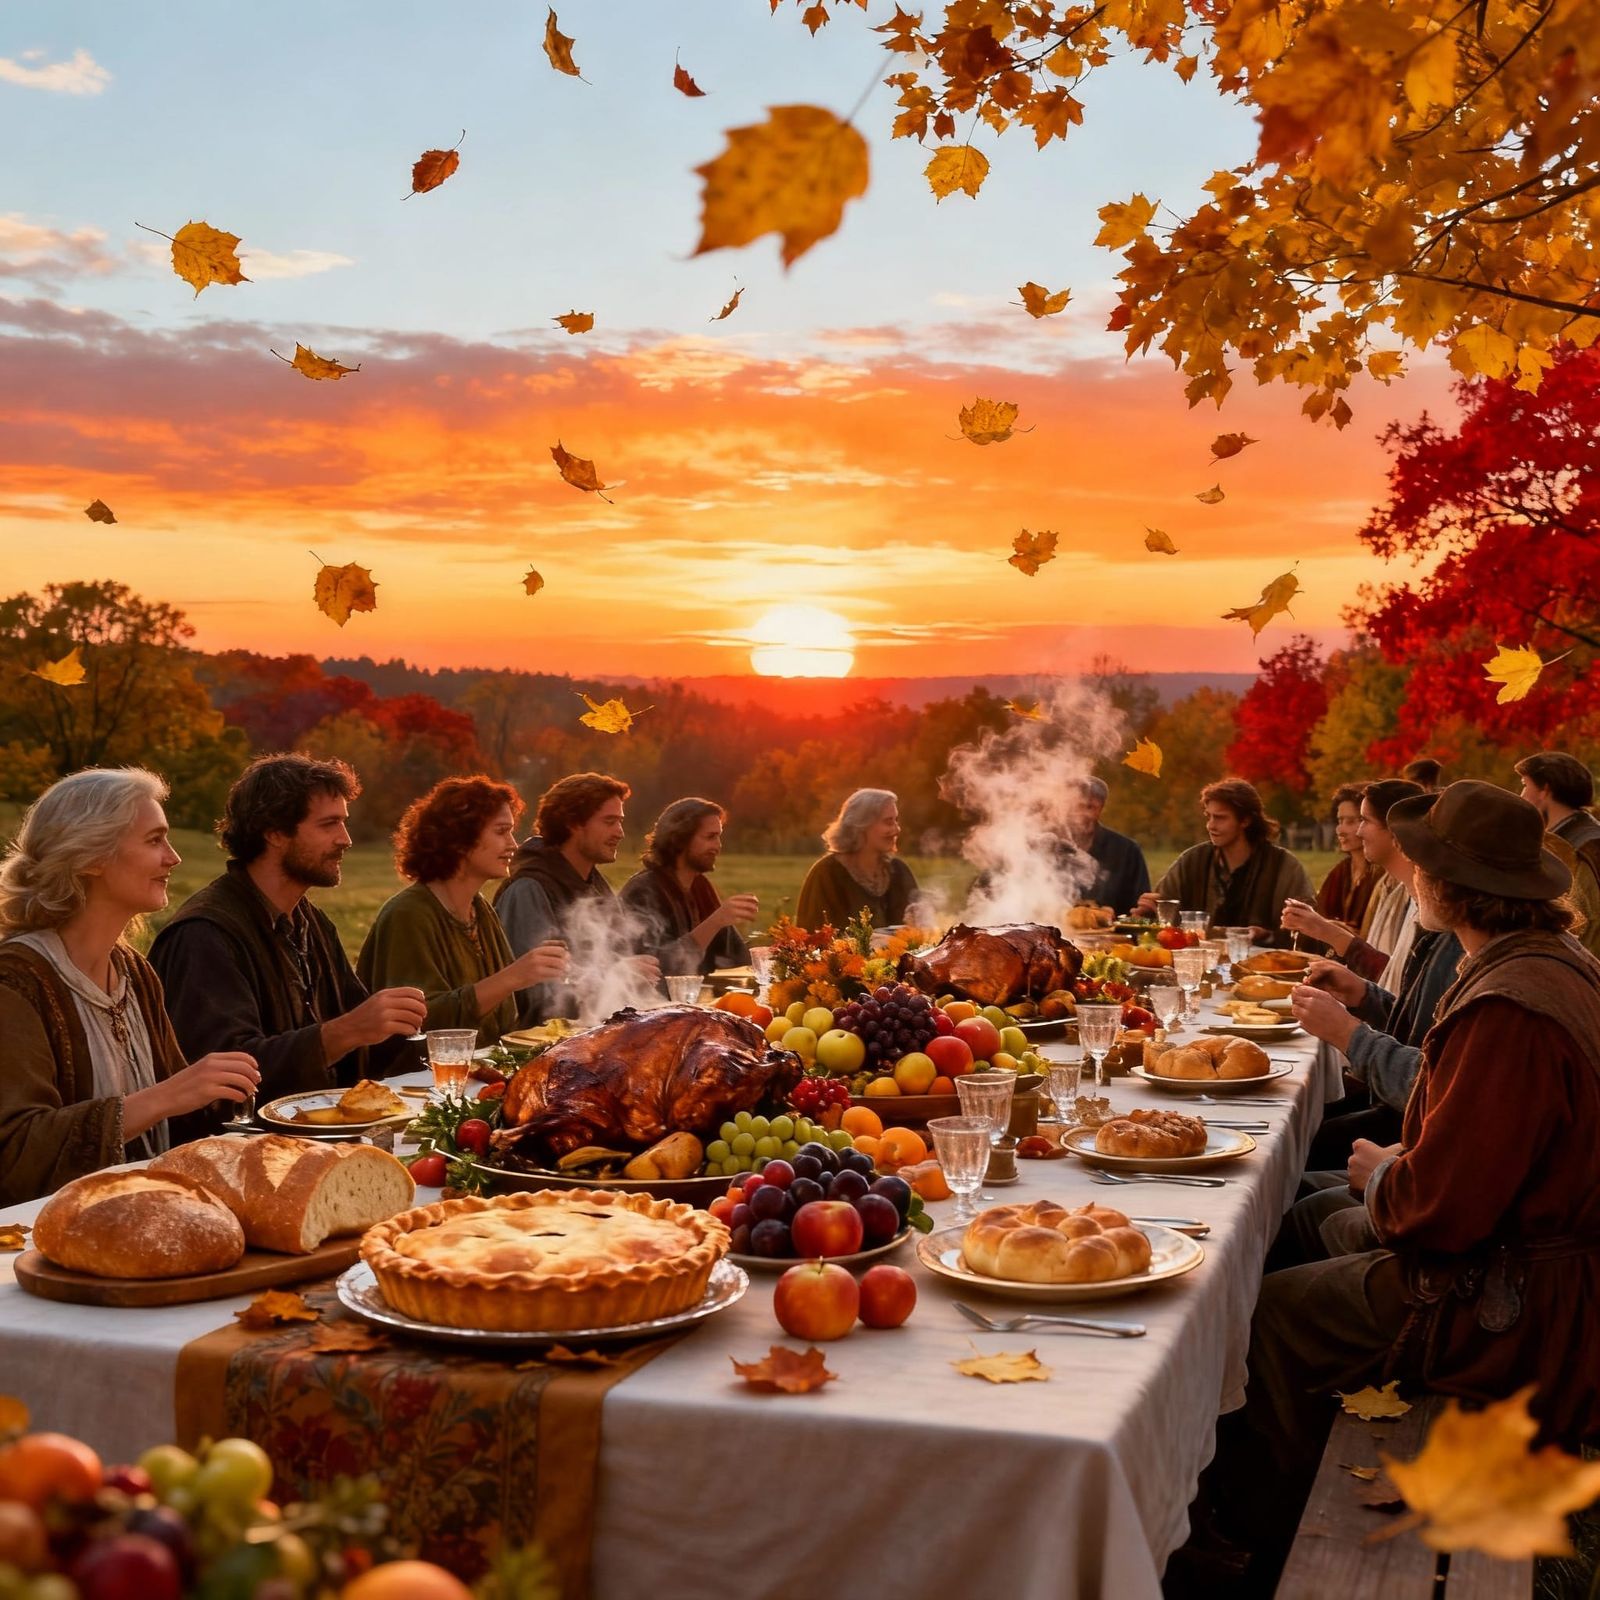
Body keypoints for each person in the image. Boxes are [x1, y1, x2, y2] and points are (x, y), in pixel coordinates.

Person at [1211, 781, 1600, 1580]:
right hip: (1515, 1258)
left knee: (1276, 1315)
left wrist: (1389, 1174)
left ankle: (1266, 1538)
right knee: (1296, 1212)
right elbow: (1476, 1119)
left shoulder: (1512, 1009)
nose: (1411, 876)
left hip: (1516, 1305)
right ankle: (1239, 1479)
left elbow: (1444, 1212)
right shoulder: (1538, 962)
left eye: (1421, 863)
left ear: (1450, 887)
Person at [0, 769, 260, 1204]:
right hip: (37, 1243)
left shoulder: (132, 971)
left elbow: (184, 1120)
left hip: (142, 1215)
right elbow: (14, 1153)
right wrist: (165, 1097)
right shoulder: (17, 982)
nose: (173, 857)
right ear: (89, 857)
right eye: (154, 840)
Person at [150, 755, 427, 1100]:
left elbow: (367, 1043)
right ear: (275, 833)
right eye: (329, 824)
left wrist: (435, 1046)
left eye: (344, 823)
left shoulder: (311, 922)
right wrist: (346, 1032)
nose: (346, 839)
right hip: (242, 1149)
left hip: (319, 1136)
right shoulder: (204, 934)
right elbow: (223, 1078)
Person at [357, 777, 570, 1047]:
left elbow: (503, 1023)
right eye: (501, 831)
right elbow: (419, 1025)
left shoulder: (480, 910)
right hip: (412, 1084)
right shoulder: (408, 914)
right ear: (459, 839)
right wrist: (512, 977)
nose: (513, 845)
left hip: (480, 1078)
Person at [494, 772, 659, 1022]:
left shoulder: (595, 886)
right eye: (609, 821)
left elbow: (620, 959)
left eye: (620, 821)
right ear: (573, 823)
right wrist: (617, 974)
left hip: (595, 1031)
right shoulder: (529, 889)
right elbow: (539, 995)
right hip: (543, 1045)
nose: (620, 832)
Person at [1136, 779, 1314, 944]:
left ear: (1245, 820)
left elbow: (1309, 931)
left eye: (1220, 818)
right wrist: (1148, 911)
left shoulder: (1282, 866)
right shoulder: (1193, 861)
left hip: (1265, 971)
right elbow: (1163, 914)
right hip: (1199, 965)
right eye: (1209, 816)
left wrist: (1267, 936)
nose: (1210, 825)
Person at [1280, 779, 1424, 982]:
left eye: (1362, 820)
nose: (1357, 831)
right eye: (1341, 821)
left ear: (1394, 828)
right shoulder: (1389, 887)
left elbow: (1396, 981)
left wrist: (1326, 930)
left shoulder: (1417, 896)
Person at [618, 798, 760, 977]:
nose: (718, 846)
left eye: (718, 836)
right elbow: (658, 966)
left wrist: (777, 955)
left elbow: (737, 957)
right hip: (653, 1003)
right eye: (710, 837)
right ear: (680, 839)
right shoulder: (644, 891)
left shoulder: (701, 887)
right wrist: (715, 921)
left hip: (698, 999)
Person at [795, 789, 919, 932]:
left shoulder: (899, 871)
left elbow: (919, 933)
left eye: (896, 820)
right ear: (861, 825)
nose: (897, 829)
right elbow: (812, 938)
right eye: (888, 822)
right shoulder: (827, 874)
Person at [1516, 750, 1600, 958]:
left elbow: (1589, 925)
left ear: (1545, 789)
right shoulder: (1577, 838)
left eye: (1525, 785)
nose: (1522, 796)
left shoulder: (1579, 848)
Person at [1069, 777, 1150, 913]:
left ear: (1101, 807)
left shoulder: (1127, 851)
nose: (1082, 814)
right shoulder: (1046, 845)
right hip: (1049, 931)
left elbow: (1140, 908)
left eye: (1090, 807)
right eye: (1076, 806)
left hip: (1112, 933)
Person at [1313, 784, 1376, 931]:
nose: (1340, 830)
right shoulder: (1340, 872)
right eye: (1340, 821)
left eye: (1350, 821)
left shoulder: (1381, 877)